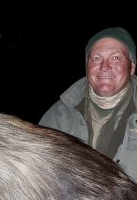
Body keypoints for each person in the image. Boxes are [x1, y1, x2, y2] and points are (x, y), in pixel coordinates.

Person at [39, 27, 137, 182]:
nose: (105, 66)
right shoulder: (57, 117)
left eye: (116, 58)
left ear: (132, 67)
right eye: (96, 58)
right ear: (87, 67)